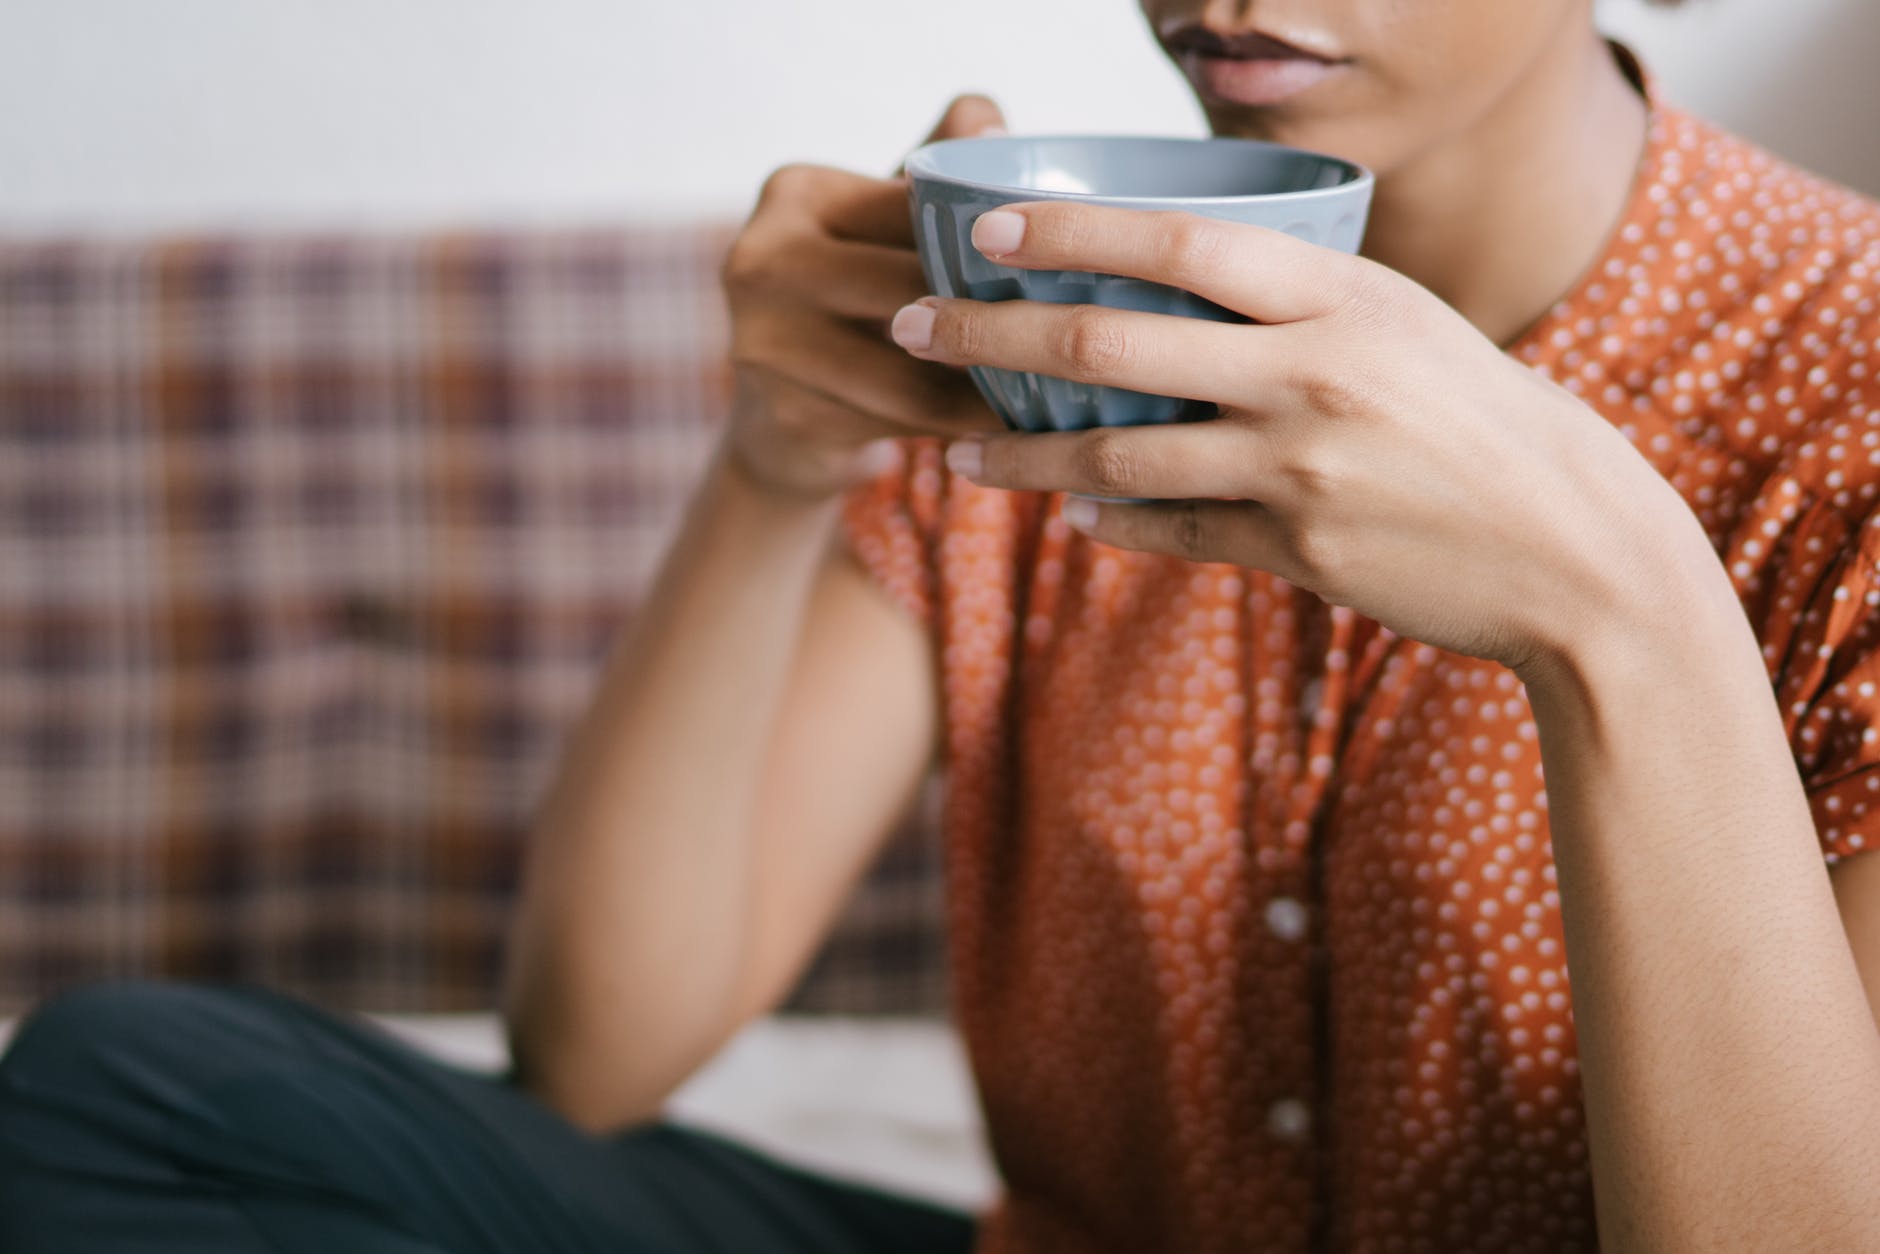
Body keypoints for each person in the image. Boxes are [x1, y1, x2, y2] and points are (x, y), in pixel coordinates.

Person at [6, 0, 1880, 1250]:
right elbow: (598, 1052)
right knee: (126, 1093)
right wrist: (773, 469)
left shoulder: (1844, 393)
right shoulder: (1057, 338)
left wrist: (1624, 613)